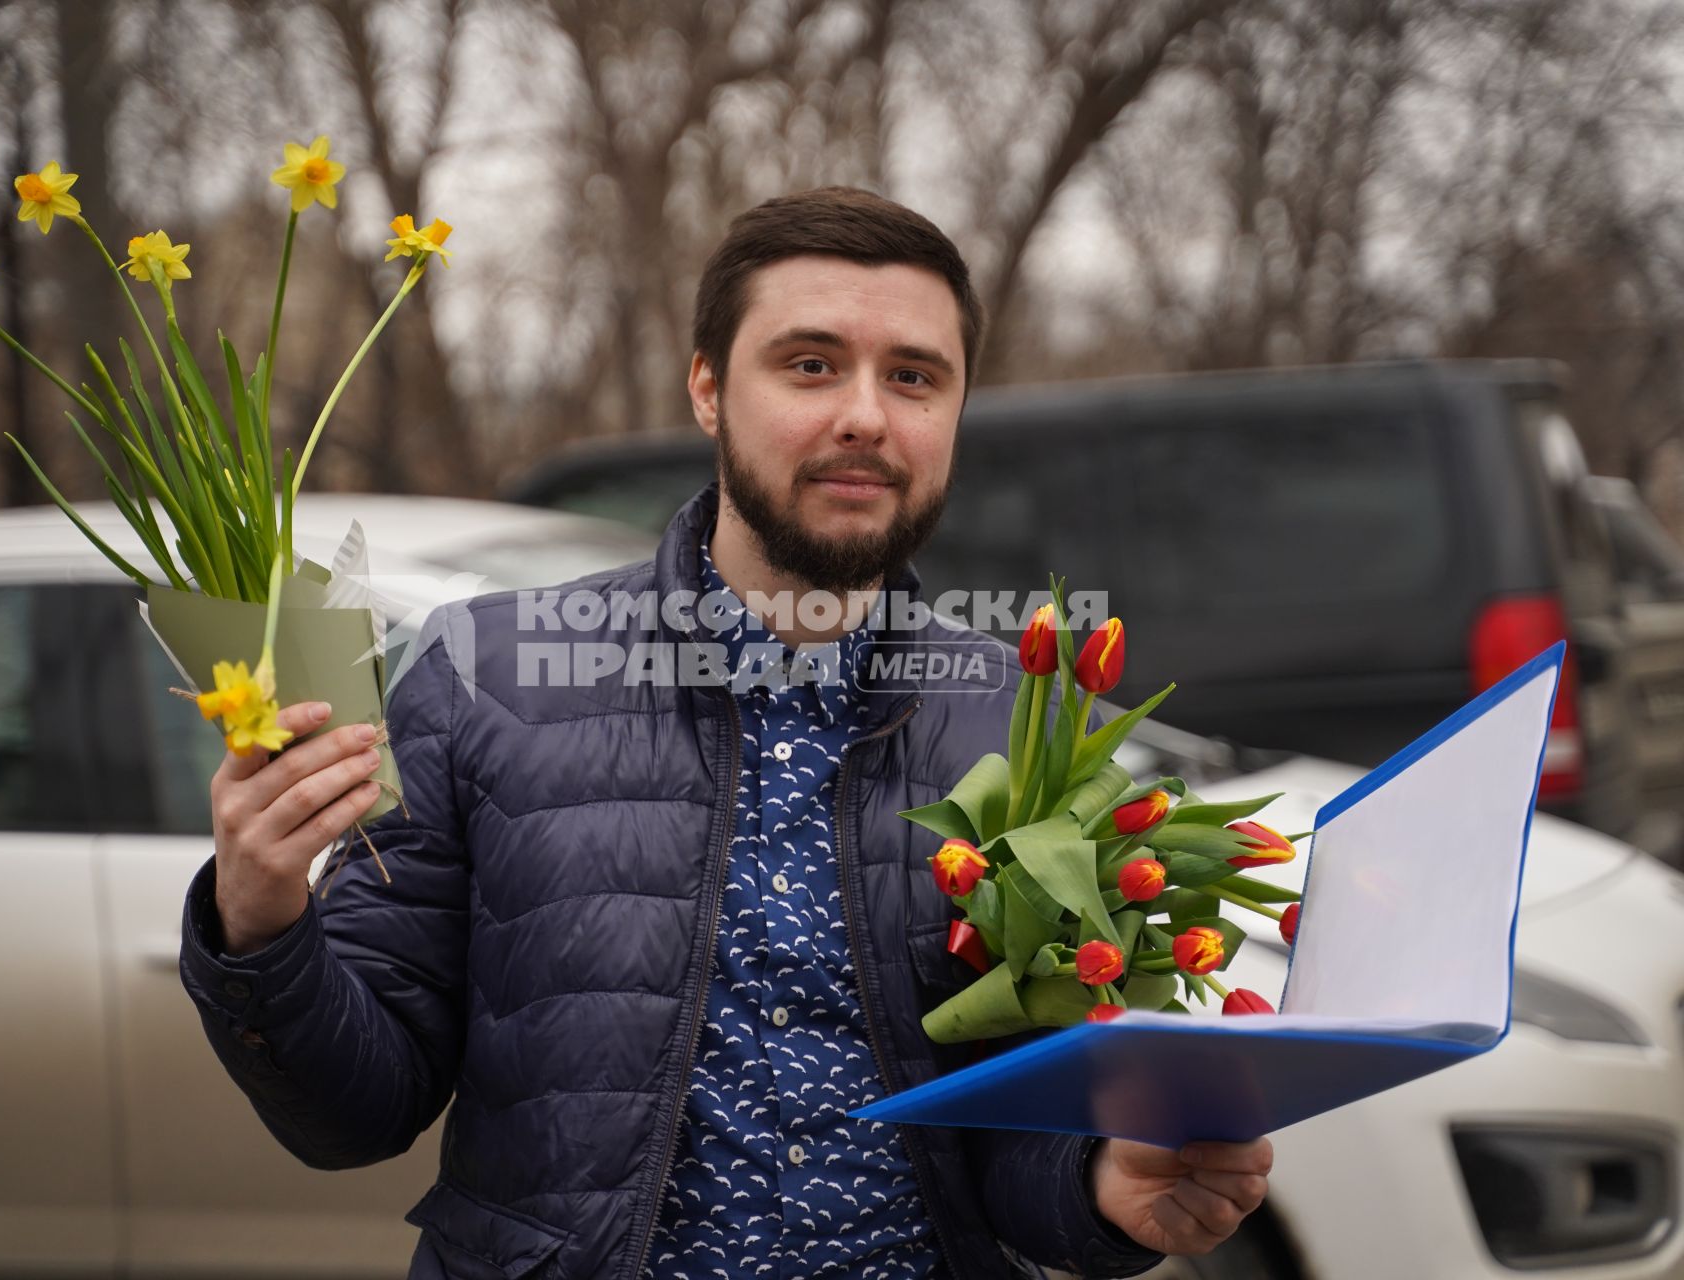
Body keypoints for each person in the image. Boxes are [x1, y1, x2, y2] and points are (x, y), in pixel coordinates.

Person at [180, 186, 1272, 1279]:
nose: (865, 415)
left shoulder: (1025, 716)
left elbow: (1021, 1145)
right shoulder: (487, 681)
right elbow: (352, 1113)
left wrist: (1105, 1190)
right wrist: (259, 920)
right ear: (708, 387)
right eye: (809, 364)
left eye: (913, 376)